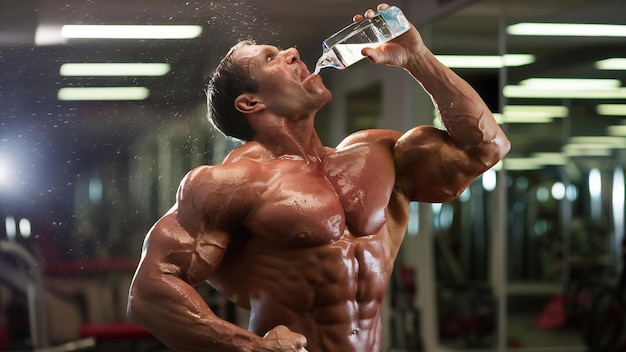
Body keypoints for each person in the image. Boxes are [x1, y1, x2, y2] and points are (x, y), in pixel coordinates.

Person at [127, 3, 511, 351]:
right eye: (271, 58)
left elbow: (486, 147)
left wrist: (417, 57)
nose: (293, 52)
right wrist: (248, 346)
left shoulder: (376, 154)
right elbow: (150, 291)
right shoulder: (230, 182)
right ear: (250, 103)